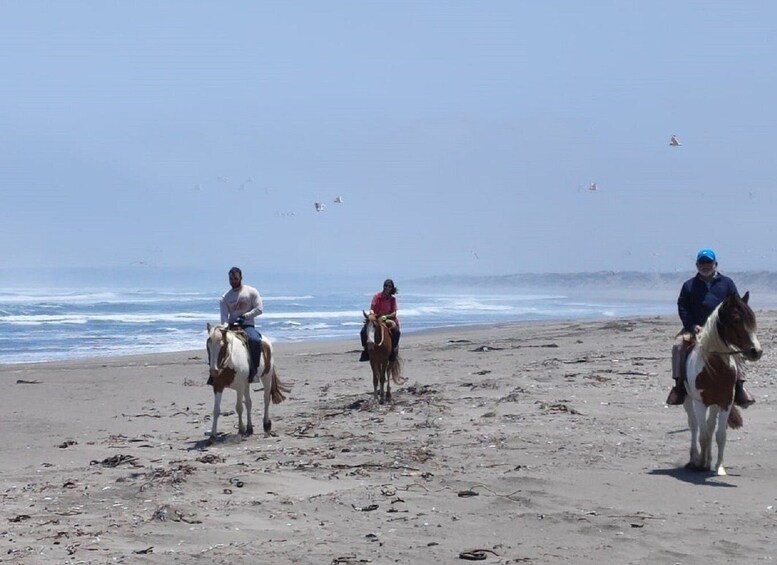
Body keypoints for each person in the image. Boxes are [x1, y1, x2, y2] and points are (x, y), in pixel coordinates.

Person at [666, 249, 755, 407]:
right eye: (702, 262)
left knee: (738, 348)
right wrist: (693, 325)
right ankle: (679, 386)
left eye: (708, 262)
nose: (705, 265)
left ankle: (740, 387)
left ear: (715, 264)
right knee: (678, 346)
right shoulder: (688, 286)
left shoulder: (727, 283)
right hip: (695, 328)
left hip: (721, 331)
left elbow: (736, 305)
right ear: (697, 265)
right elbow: (683, 307)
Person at [220, 266, 264, 382]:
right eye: (231, 279)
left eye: (235, 278)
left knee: (254, 340)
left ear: (240, 278)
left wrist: (245, 316)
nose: (233, 281)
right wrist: (224, 327)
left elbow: (259, 309)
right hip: (232, 326)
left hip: (247, 325)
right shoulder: (225, 297)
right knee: (216, 344)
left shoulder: (251, 292)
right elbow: (224, 317)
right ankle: (215, 372)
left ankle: (254, 371)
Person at [360, 278, 401, 362]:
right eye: (385, 286)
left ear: (391, 288)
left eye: (389, 286)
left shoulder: (392, 299)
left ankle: (393, 351)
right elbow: (372, 308)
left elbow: (394, 313)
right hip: (376, 318)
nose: (387, 287)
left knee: (397, 332)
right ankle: (366, 351)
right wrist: (371, 314)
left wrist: (386, 317)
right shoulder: (377, 296)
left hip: (388, 319)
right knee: (363, 331)